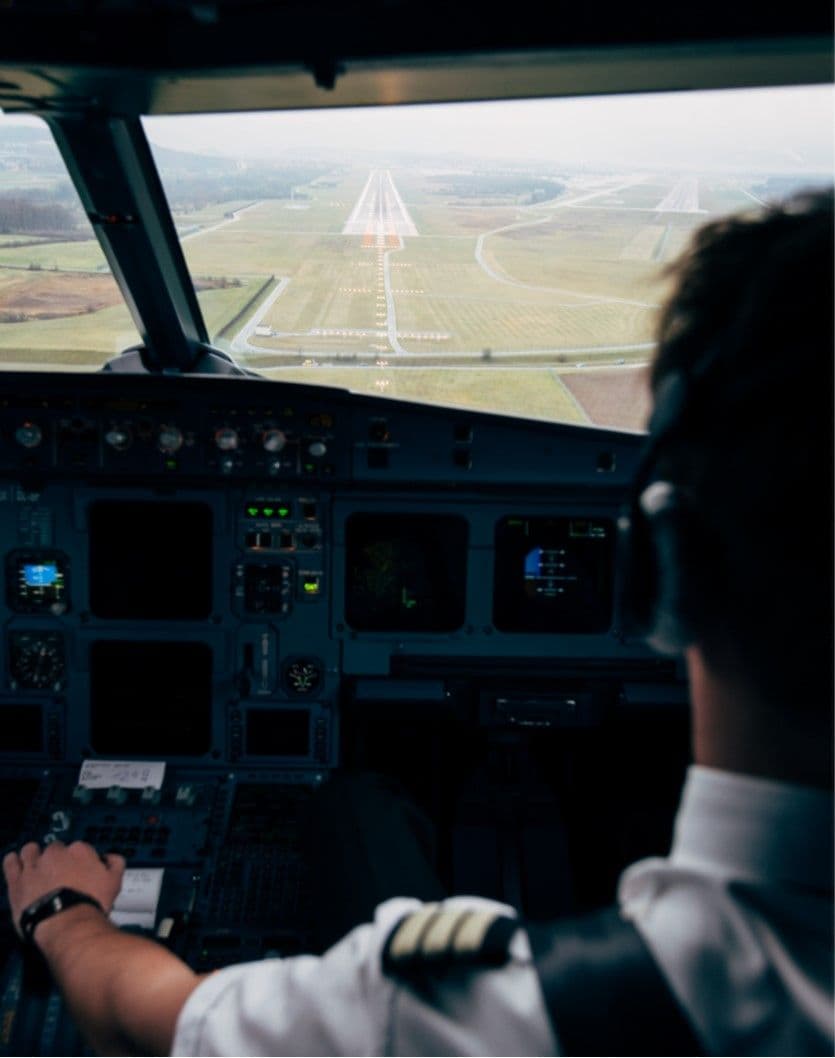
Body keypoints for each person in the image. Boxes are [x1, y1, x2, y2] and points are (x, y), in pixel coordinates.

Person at [3, 189, 833, 1056]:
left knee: (354, 800)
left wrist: (63, 911)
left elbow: (147, 1019)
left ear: (664, 570)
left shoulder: (452, 1019)